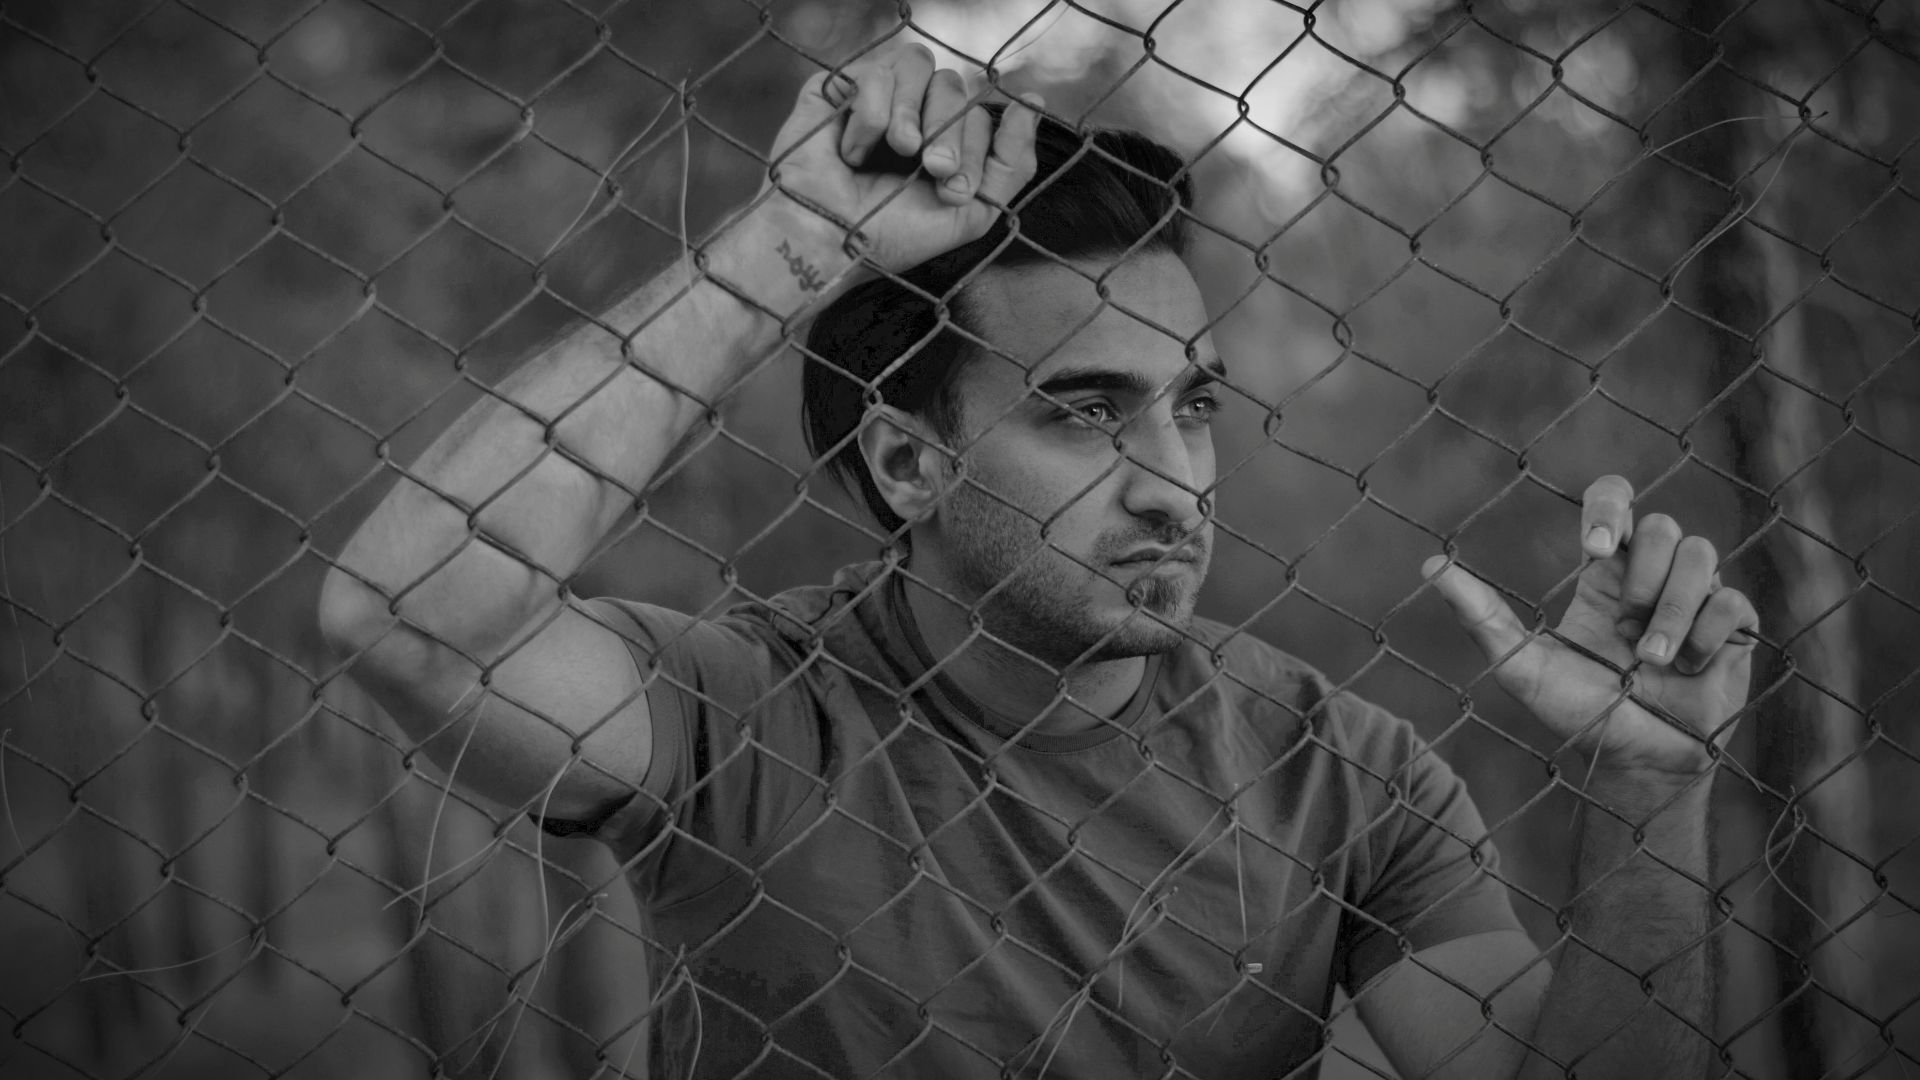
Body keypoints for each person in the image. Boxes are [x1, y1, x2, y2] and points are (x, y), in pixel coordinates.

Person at [319, 43, 1757, 1080]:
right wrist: (790, 245)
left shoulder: (1340, 773)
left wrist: (1651, 791)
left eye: (1194, 408)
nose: (1173, 484)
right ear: (909, 465)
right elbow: (408, 618)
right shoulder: (749, 712)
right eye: (1086, 414)